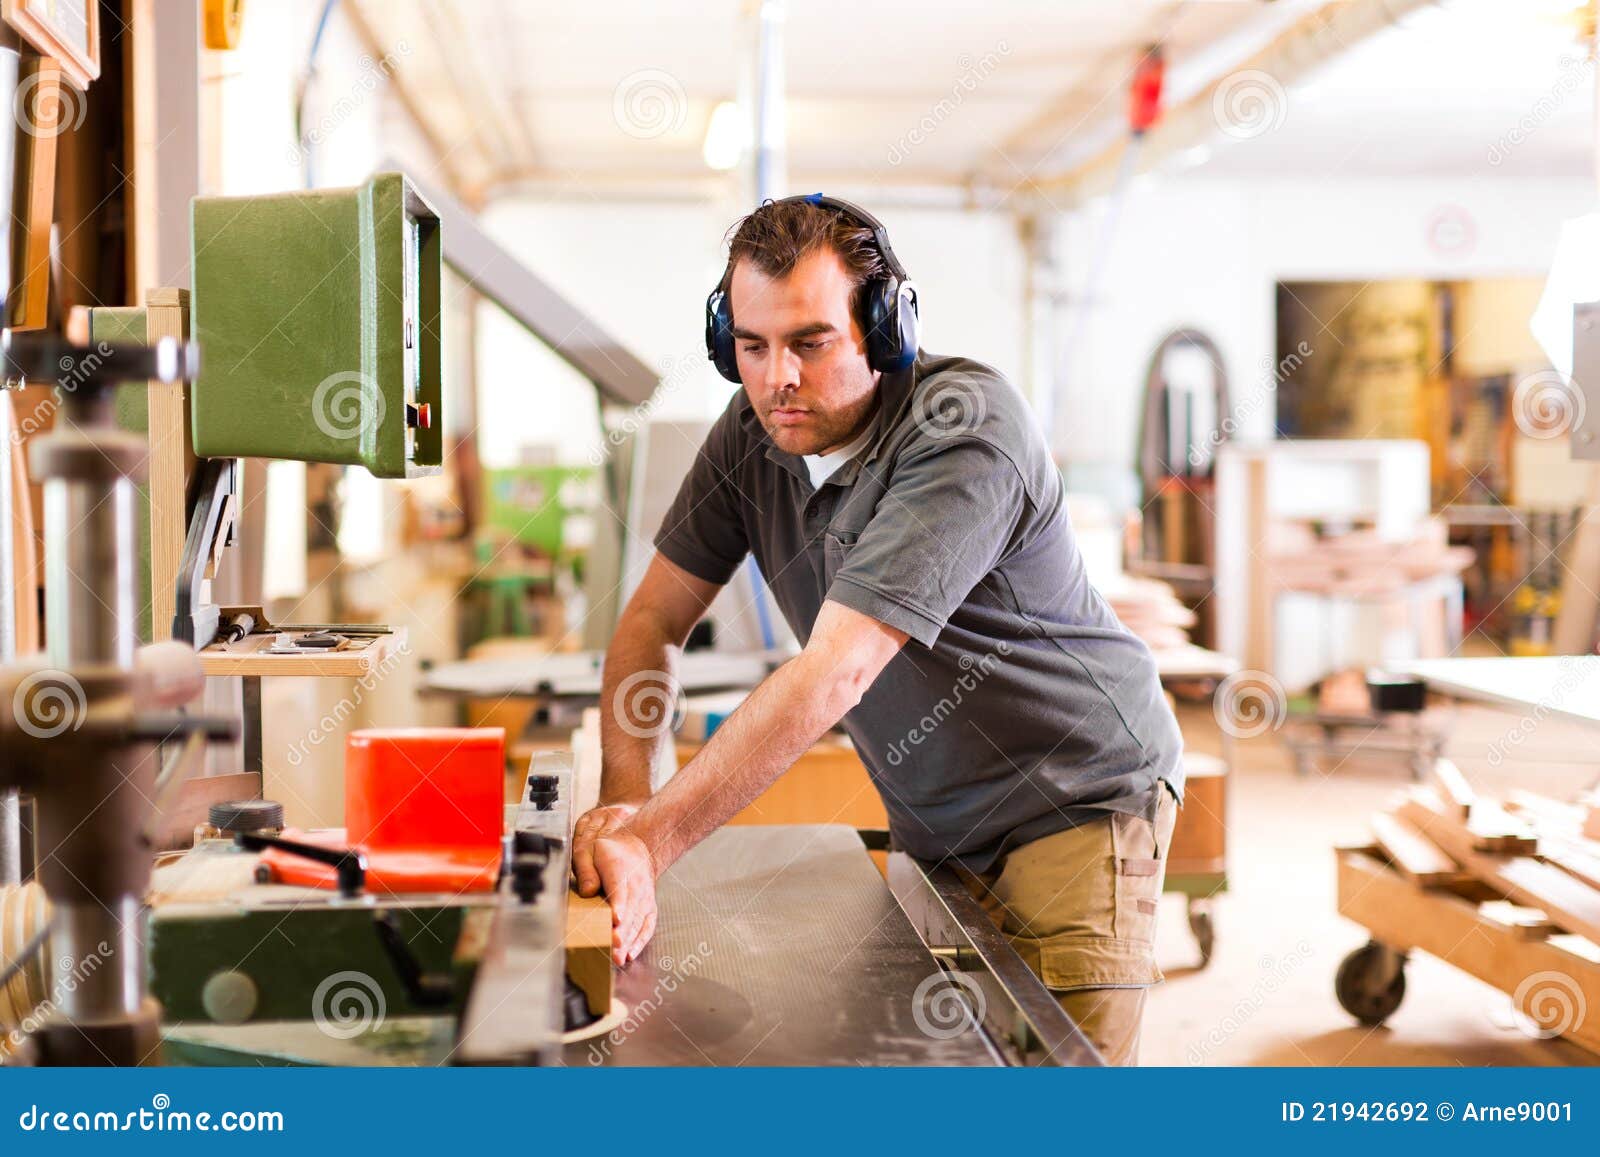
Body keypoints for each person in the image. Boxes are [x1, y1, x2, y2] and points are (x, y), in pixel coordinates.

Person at [571, 194, 1184, 1064]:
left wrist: (648, 842)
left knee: (1058, 1086)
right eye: (751, 346)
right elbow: (652, 617)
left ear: (885, 327)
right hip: (936, 820)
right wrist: (624, 799)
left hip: (1073, 802)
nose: (777, 376)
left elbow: (834, 675)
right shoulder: (753, 433)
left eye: (809, 343)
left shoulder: (962, 429)